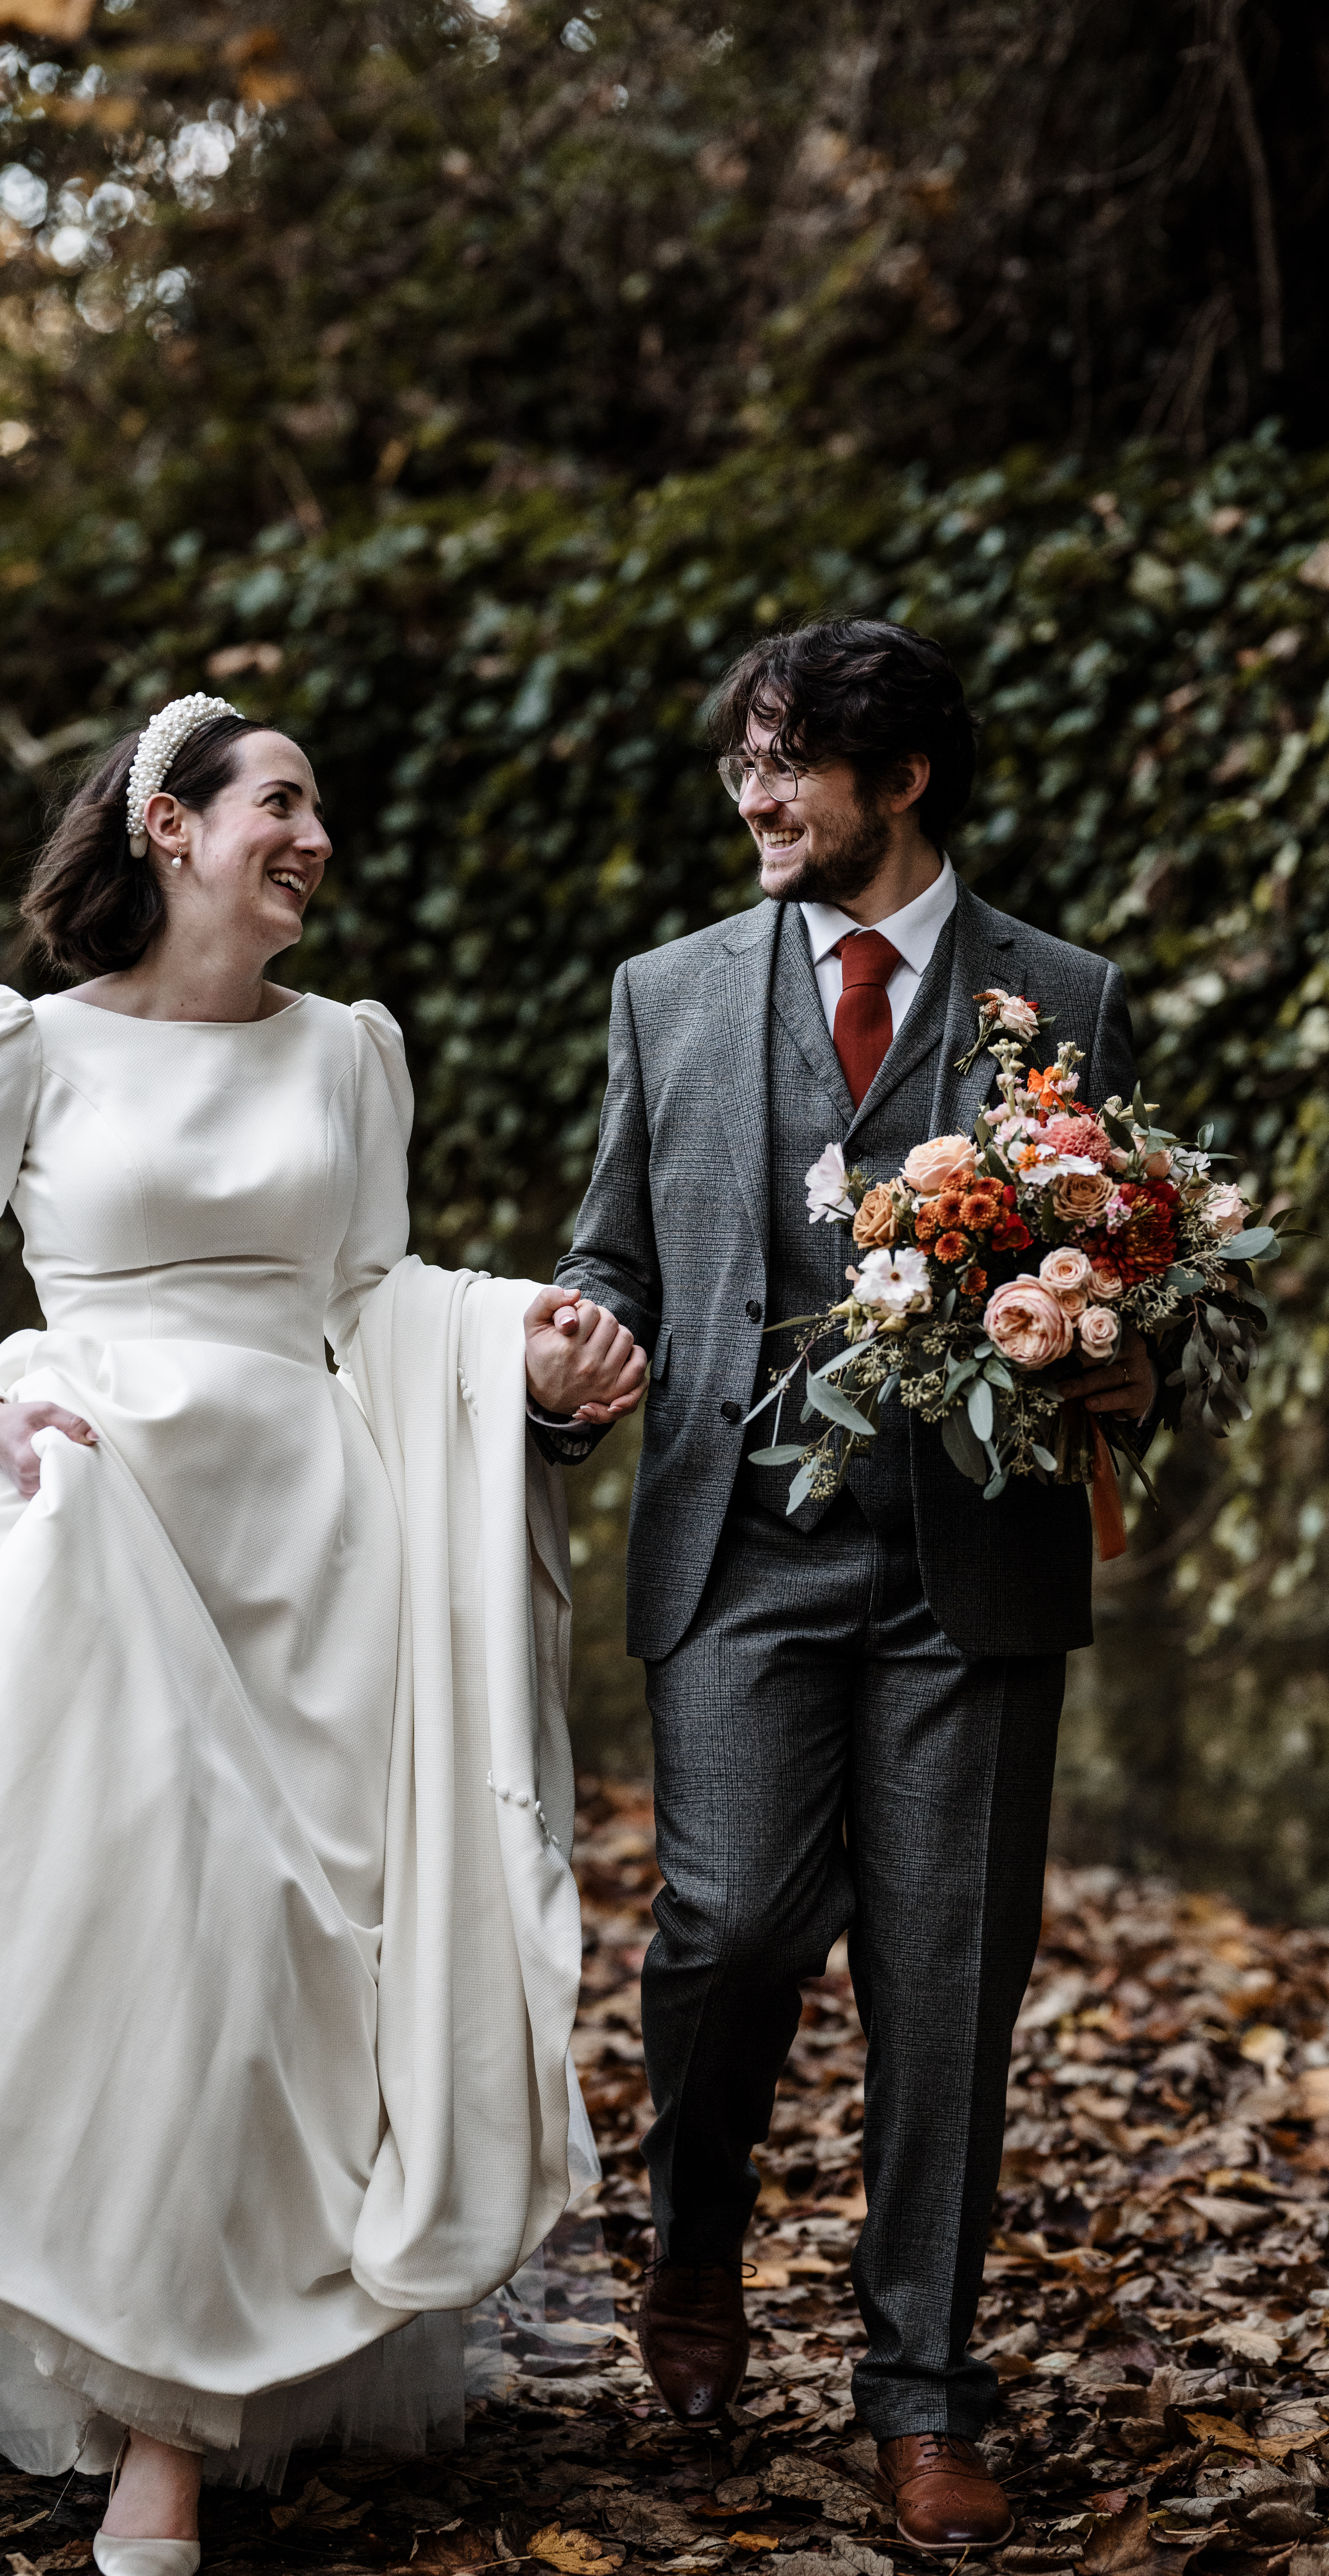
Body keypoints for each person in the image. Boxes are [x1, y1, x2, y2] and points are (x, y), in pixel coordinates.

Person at [0, 694, 645, 2565]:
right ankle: (152, 2430)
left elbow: (373, 1295)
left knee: (288, 1964)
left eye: (318, 809)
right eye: (281, 802)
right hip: (100, 1516)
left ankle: (181, 2393)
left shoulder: (351, 1050)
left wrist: (521, 1342)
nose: (313, 837)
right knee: (147, 1944)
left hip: (313, 1543)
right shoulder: (24, 1040)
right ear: (170, 825)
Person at [530, 621, 1156, 2554]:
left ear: (902, 779)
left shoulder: (1064, 995)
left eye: (788, 761)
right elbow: (615, 1248)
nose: (754, 795)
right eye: (744, 759)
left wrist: (1127, 1360)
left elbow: (1129, 1256)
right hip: (739, 1548)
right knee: (724, 1929)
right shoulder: (667, 994)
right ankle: (696, 2235)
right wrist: (573, 1350)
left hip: (974, 1559)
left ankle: (923, 2393)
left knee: (949, 1977)